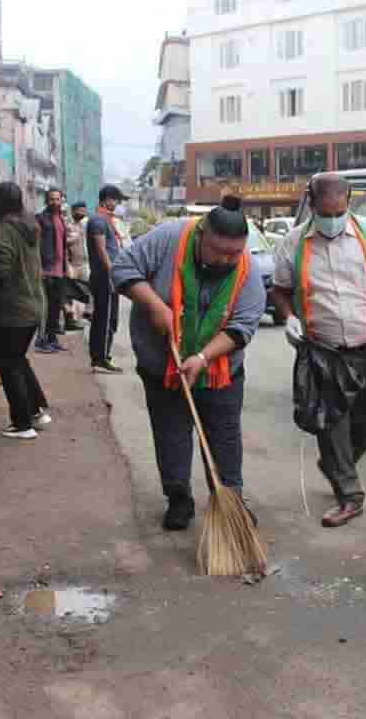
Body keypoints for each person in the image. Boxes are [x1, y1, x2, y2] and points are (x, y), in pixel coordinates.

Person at [111, 195, 266, 531]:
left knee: (224, 438)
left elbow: (242, 326)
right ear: (200, 236)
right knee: (171, 435)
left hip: (220, 372)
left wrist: (202, 357)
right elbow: (122, 267)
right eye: (219, 251)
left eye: (234, 253)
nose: (227, 260)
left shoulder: (247, 269)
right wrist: (153, 304)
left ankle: (230, 502)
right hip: (161, 365)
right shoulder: (169, 238)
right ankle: (179, 498)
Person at [269, 173, 366, 528]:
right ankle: (349, 494)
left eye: (339, 211)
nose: (332, 219)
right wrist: (288, 317)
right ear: (311, 204)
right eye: (325, 212)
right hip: (324, 350)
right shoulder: (294, 241)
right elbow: (280, 288)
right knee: (330, 419)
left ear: (349, 202)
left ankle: (337, 463)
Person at [0, 182, 53, 439]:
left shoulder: (2, 231)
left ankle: (22, 424)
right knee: (18, 360)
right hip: (31, 305)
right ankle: (37, 412)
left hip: (10, 310)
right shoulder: (28, 225)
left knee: (8, 364)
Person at [88, 185, 129, 374]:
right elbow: (101, 250)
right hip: (105, 278)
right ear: (106, 200)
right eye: (116, 200)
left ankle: (100, 355)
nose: (117, 204)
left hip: (107, 276)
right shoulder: (98, 220)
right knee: (106, 320)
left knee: (104, 318)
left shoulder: (105, 220)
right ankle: (101, 357)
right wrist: (112, 274)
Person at [35, 188, 73, 353]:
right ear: (46, 201)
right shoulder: (40, 219)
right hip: (46, 269)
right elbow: (35, 245)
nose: (55, 202)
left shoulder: (61, 219)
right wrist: (39, 267)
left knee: (55, 308)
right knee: (45, 308)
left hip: (60, 270)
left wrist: (66, 266)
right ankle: (41, 340)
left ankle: (52, 338)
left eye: (57, 199)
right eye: (51, 199)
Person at [67, 202, 92, 329]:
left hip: (85, 263)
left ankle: (83, 316)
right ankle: (71, 320)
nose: (82, 213)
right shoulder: (68, 226)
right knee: (71, 292)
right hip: (72, 263)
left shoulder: (87, 225)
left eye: (84, 210)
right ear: (73, 211)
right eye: (79, 210)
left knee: (86, 291)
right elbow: (64, 243)